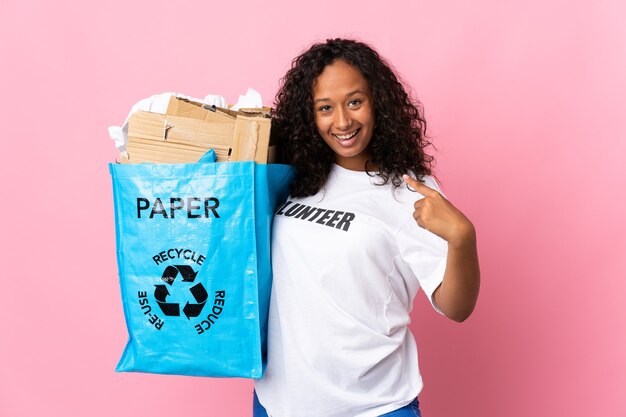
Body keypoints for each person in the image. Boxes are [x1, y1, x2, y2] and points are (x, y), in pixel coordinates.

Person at [253, 38, 480, 417]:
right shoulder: (297, 176)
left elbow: (456, 307)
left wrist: (462, 237)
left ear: (379, 102)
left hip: (371, 407)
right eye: (325, 108)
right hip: (277, 403)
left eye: (355, 102)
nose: (342, 122)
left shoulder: (408, 190)